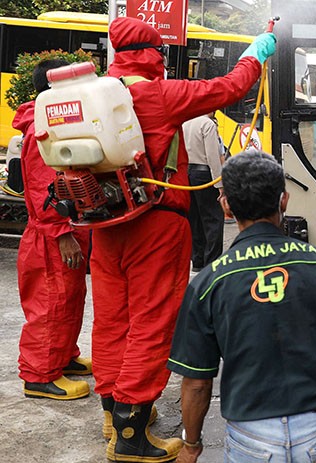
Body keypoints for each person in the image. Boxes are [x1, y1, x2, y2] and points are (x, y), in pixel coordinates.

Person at [91, 17, 276, 462]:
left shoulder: (95, 93)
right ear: (156, 53)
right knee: (152, 323)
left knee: (112, 319)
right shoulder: (157, 94)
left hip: (104, 223)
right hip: (156, 223)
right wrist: (256, 52)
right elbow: (229, 88)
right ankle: (132, 436)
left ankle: (114, 411)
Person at [168, 149, 316, 463]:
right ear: (284, 200)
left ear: (226, 206)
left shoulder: (208, 282)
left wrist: (191, 445)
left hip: (252, 437)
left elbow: (196, 382)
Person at [13, 58, 92, 401]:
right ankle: (38, 375)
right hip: (51, 236)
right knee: (50, 304)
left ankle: (62, 357)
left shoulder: (52, 122)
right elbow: (45, 188)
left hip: (61, 231)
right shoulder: (41, 129)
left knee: (69, 300)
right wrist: (63, 234)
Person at [183, 111, 225, 272]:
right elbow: (213, 156)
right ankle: (212, 263)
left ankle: (198, 260)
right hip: (205, 173)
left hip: (188, 172)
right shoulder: (207, 125)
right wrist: (219, 183)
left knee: (194, 218)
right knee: (213, 218)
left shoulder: (186, 121)